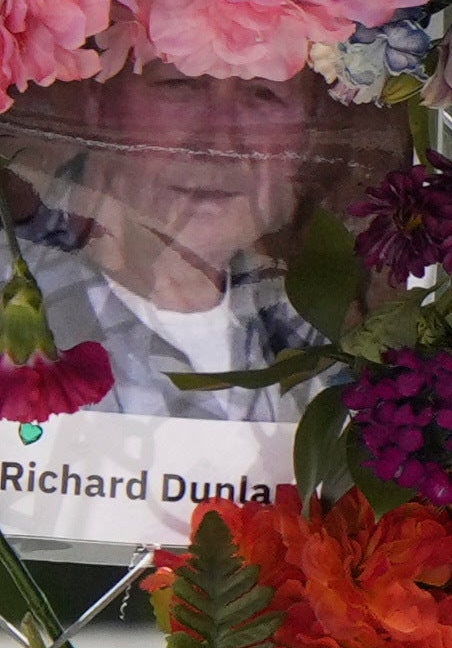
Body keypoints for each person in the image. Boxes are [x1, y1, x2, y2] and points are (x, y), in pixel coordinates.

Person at [0, 69, 345, 422]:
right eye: (180, 83)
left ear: (307, 135)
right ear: (97, 101)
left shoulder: (315, 337)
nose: (220, 143)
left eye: (263, 93)